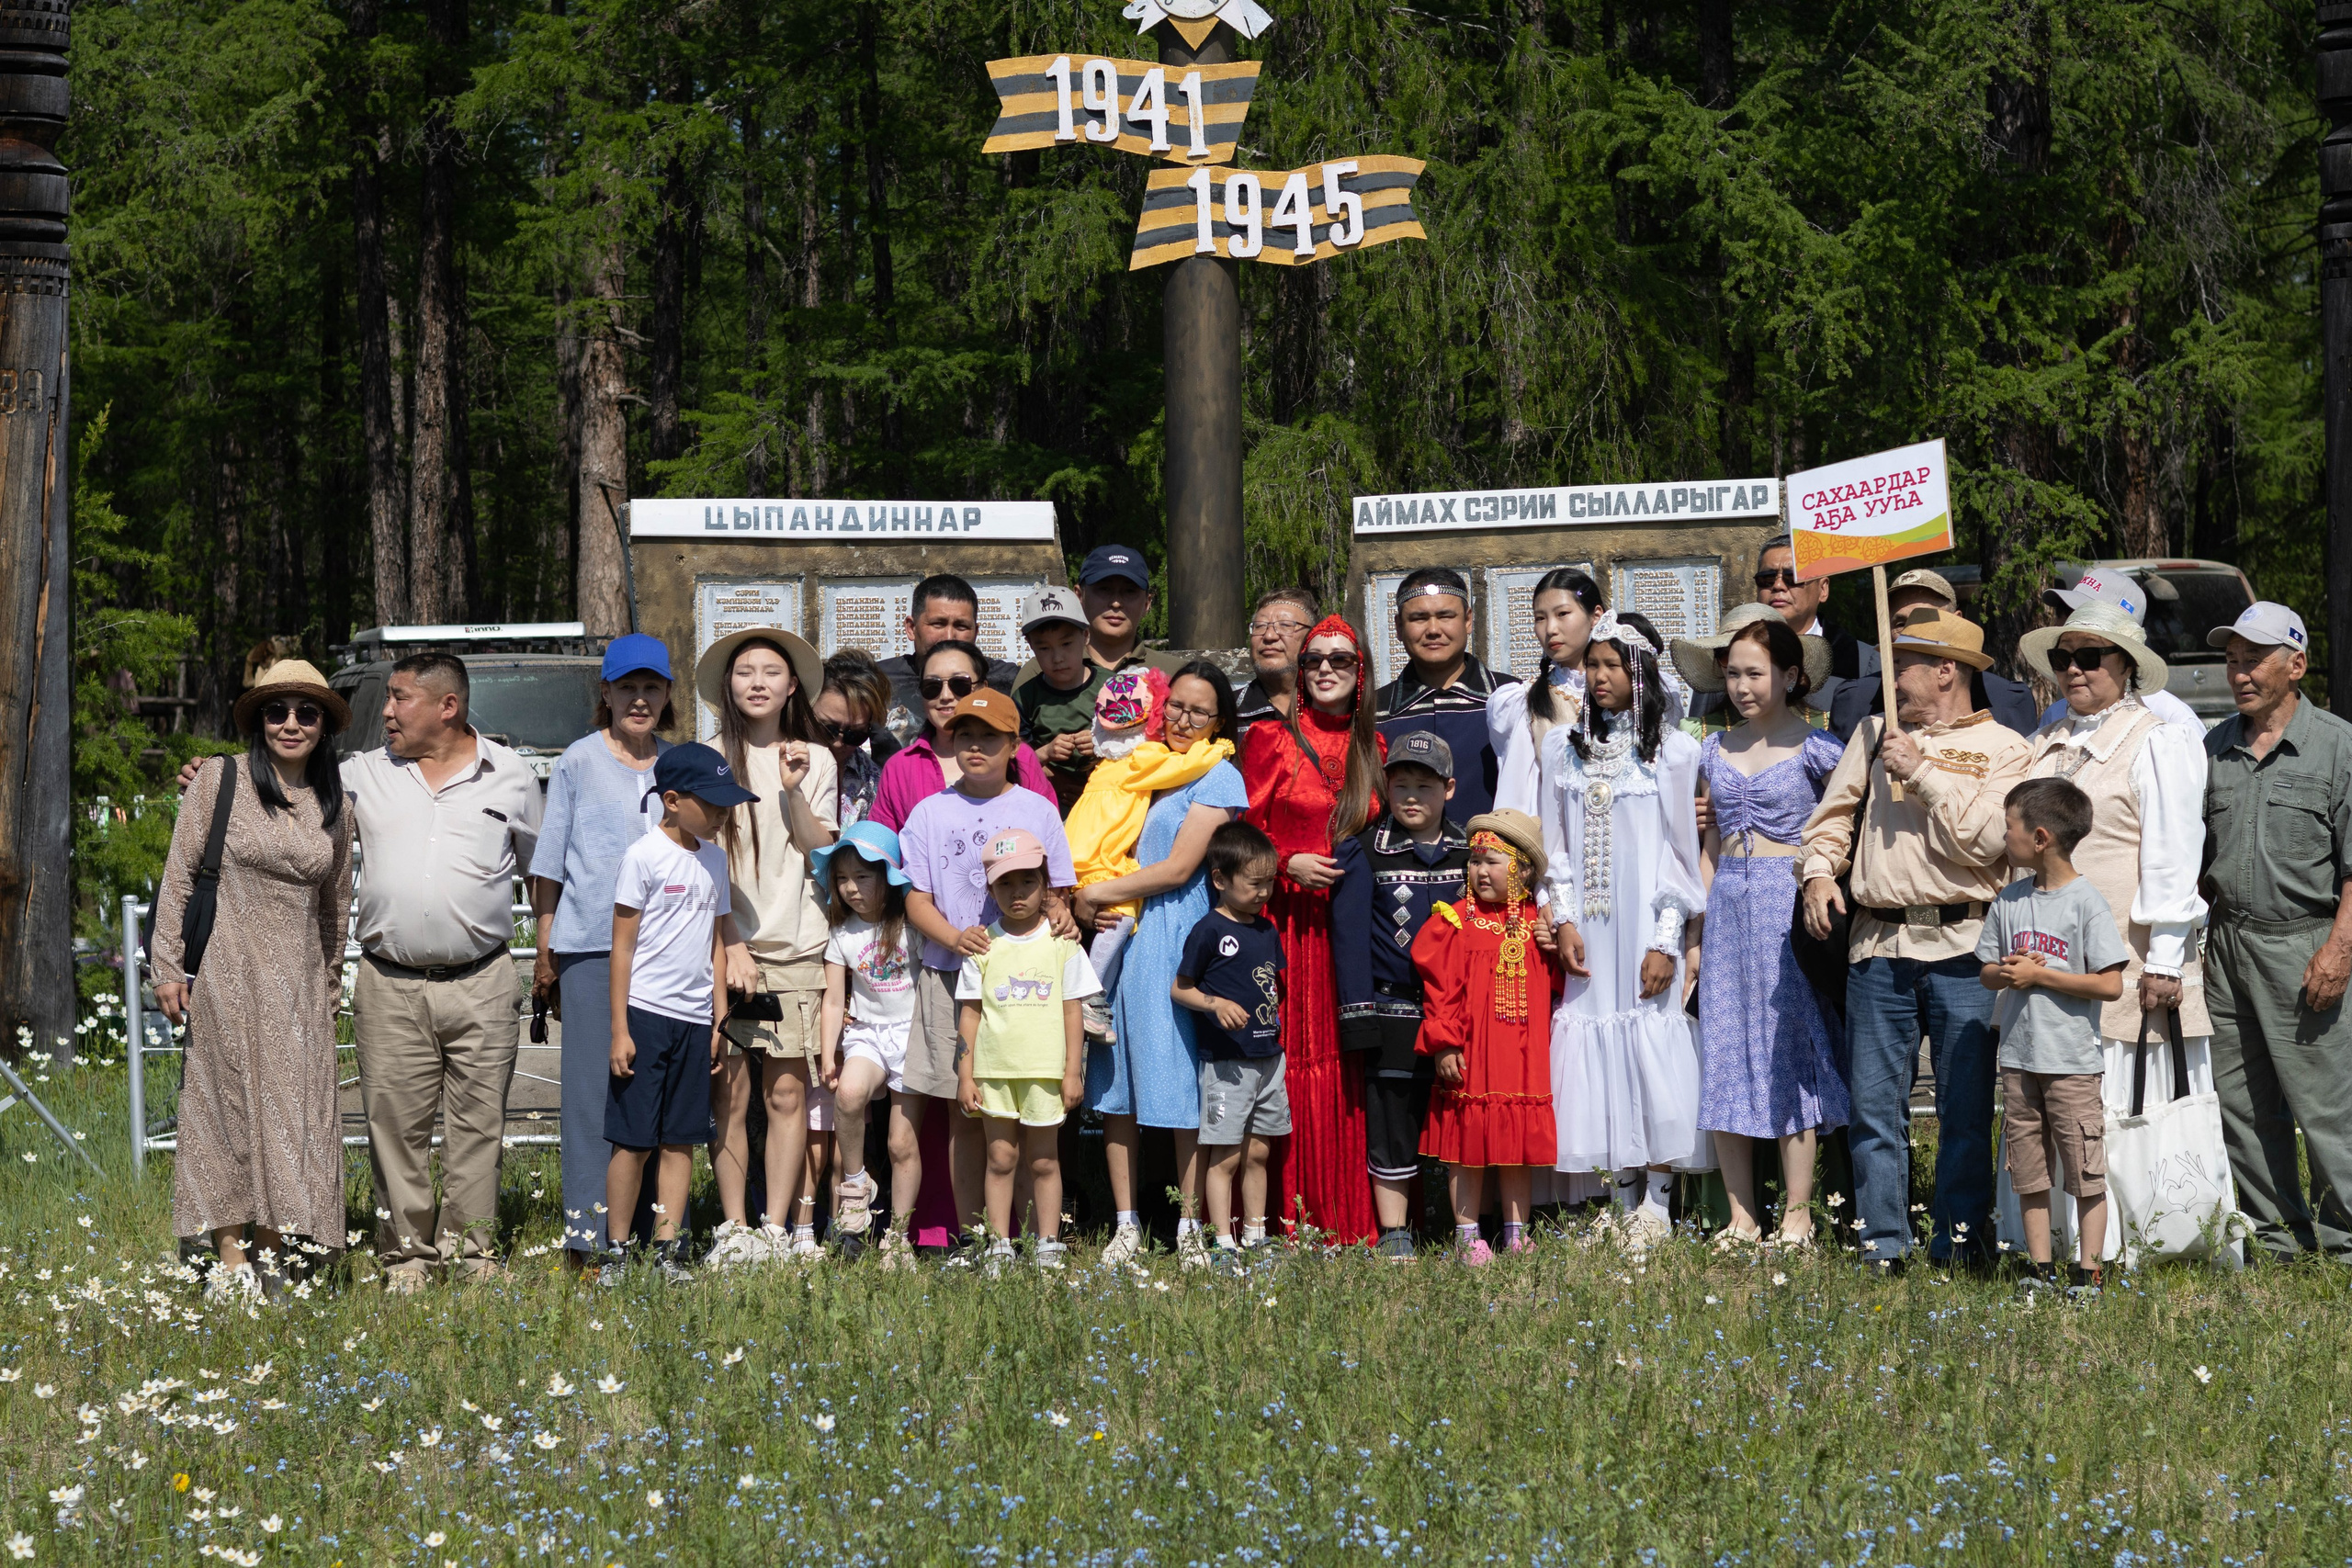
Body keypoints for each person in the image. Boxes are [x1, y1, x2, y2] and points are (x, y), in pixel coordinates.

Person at [1801, 607, 2030, 1271]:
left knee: (1963, 1111)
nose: (1890, 681)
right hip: (1878, 949)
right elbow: (1831, 820)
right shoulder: (1873, 733)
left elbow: (1991, 841)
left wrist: (1922, 771)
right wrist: (1818, 874)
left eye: (1904, 669)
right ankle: (1883, 1247)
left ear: (1947, 670)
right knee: (1875, 1110)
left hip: (1967, 948)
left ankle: (1959, 1246)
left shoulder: (2007, 748)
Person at [2017, 587, 2218, 1261]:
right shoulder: (2046, 733)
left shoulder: (2160, 738)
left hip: (2120, 958)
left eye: (2092, 655)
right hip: (2040, 957)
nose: (2076, 668)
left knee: (2115, 1101)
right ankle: (2048, 1242)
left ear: (2126, 663)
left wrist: (2164, 957)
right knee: (2042, 1094)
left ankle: (2133, 1236)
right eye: (2065, 656)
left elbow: (2172, 851)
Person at [150, 660, 354, 1302]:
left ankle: (274, 1255)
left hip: (296, 988)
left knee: (292, 1119)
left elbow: (336, 910)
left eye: (306, 711)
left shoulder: (337, 807)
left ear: (323, 725)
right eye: (277, 710)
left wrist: (326, 989)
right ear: (259, 719)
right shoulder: (219, 779)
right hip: (227, 975)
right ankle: (231, 1261)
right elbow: (178, 876)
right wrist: (165, 967)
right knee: (225, 1111)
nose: (291, 722)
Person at [343, 652, 545, 1289]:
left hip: (484, 978)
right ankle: (406, 1257)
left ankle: (471, 1253)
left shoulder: (512, 775)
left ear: (447, 706)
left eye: (401, 698)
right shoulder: (361, 773)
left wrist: (548, 953)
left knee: (479, 1123)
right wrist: (215, 776)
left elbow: (539, 872)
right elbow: (281, 786)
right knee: (394, 1127)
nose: (387, 710)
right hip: (390, 980)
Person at [1677, 611, 1848, 1248]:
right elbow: (1712, 841)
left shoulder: (1821, 749)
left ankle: (1797, 1212)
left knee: (1790, 1047)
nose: (1742, 685)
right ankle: (1741, 1214)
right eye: (1733, 673)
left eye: (1755, 672)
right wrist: (1695, 933)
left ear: (1790, 675)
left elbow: (1843, 836)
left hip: (1788, 905)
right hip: (1728, 905)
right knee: (1725, 1048)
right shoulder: (1712, 749)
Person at [1073, 661, 1252, 1267]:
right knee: (1116, 1079)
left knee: (1178, 1083)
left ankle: (1190, 1224)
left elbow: (1178, 869)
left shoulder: (1218, 777)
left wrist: (1096, 893)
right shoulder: (1145, 764)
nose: (1181, 719)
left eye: (1197, 712)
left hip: (1174, 933)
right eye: (1174, 705)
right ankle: (1125, 1222)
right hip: (1123, 931)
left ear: (1218, 721)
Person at [1540, 612, 1705, 1253]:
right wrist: (1564, 917)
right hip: (1590, 930)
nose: (1599, 676)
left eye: (1613, 664)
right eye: (1593, 664)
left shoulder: (1672, 751)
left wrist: (1667, 938)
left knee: (1651, 1041)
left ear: (1642, 672)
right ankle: (1620, 1195)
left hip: (1645, 924)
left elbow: (1678, 853)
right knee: (1595, 1043)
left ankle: (1659, 1204)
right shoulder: (1563, 749)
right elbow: (1554, 847)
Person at [899, 689, 1079, 1255]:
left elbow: (1060, 890)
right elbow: (915, 897)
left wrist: (1063, 917)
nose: (975, 747)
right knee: (967, 1110)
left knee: (1031, 1115)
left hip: (1028, 983)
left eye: (990, 738)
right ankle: (976, 1237)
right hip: (952, 975)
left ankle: (1032, 1237)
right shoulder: (930, 812)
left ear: (1013, 746)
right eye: (965, 737)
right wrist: (955, 937)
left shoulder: (1038, 809)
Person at [2200, 601, 2352, 1261]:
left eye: (2254, 658)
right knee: (2244, 1103)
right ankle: (2276, 1242)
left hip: (2306, 944)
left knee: (2325, 1108)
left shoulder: (2339, 745)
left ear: (2297, 663)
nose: (2239, 672)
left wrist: (2339, 949)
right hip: (2228, 943)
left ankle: (2345, 1244)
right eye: (2232, 659)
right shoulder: (2213, 746)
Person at [528, 636, 674, 1264]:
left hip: (667, 952)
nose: (639, 699)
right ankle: (588, 1238)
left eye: (652, 687)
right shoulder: (578, 761)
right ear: (606, 693)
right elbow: (551, 860)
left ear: (667, 694)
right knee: (591, 1094)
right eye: (627, 687)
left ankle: (656, 1232)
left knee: (656, 1092)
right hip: (589, 942)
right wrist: (544, 947)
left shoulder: (680, 765)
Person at [698, 626, 840, 1268]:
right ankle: (734, 1228)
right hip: (723, 950)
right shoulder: (706, 758)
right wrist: (730, 942)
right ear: (727, 685)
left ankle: (777, 1229)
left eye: (770, 671)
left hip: (797, 949)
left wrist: (789, 789)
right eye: (744, 670)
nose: (756, 681)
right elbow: (699, 863)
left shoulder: (816, 756)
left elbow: (818, 847)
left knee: (787, 1093)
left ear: (792, 688)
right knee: (728, 1091)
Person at [1243, 615, 1387, 1245]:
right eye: (1313, 660)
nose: (1326, 668)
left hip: (1350, 931)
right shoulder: (1270, 740)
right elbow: (1238, 836)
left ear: (1361, 675)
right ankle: (1285, 1217)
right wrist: (1285, 861)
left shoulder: (1373, 750)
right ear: (1299, 675)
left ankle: (1346, 1218)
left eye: (1341, 660)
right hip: (1286, 925)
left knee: (1345, 1068)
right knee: (1289, 1063)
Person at [602, 742, 753, 1284]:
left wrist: (718, 1022)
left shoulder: (714, 858)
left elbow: (716, 944)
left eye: (726, 804)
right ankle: (617, 1251)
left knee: (681, 1137)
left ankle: (668, 1251)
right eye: (711, 804)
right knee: (634, 1139)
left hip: (695, 1022)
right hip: (644, 1014)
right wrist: (620, 1028)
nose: (721, 815)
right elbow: (621, 947)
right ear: (671, 799)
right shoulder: (642, 856)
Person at [1978, 776, 2130, 1293]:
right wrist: (2011, 969)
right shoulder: (2010, 900)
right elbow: (1987, 973)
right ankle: (2040, 1270)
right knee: (2029, 1169)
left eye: (2009, 828)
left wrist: (2042, 975)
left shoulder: (2087, 902)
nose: (2005, 839)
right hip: (2019, 1059)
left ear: (2039, 838)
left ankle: (2089, 1273)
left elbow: (2110, 983)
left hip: (2071, 1063)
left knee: (2084, 1169)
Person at [1332, 731, 1471, 1258]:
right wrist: (1358, 1018)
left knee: (1461, 1118)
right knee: (1392, 1118)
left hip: (1460, 1019)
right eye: (1401, 786)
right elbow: (1349, 943)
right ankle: (1395, 1231)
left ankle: (1464, 1229)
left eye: (1425, 786)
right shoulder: (1364, 851)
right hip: (1391, 1011)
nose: (1412, 797)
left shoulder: (1472, 852)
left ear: (1450, 789)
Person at [1413, 810, 1558, 1267]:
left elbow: (1557, 985)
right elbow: (1441, 991)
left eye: (1492, 861)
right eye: (1474, 862)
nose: (1480, 871)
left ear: (1524, 870)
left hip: (1521, 1057)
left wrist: (1550, 944)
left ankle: (1517, 1233)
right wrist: (1445, 1043)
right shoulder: (1454, 922)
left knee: (1517, 1147)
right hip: (1473, 1056)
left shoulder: (1539, 925)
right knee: (1467, 1145)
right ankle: (1466, 1236)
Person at [955, 828, 1100, 1269]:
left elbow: (1074, 1013)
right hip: (994, 1074)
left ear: (1046, 885)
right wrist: (965, 1074)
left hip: (1045, 1073)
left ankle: (1048, 1245)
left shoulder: (1062, 943)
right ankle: (999, 1246)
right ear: (991, 888)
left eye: (1027, 881)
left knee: (1043, 1160)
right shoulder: (982, 944)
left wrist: (1073, 1071)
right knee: (1000, 1158)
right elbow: (971, 1015)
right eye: (1004, 883)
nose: (1016, 893)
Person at [1171, 820, 1290, 1260]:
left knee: (1258, 1152)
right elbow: (1179, 989)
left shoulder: (1266, 930)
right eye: (1254, 884)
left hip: (1268, 1059)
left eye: (1269, 884)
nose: (1263, 893)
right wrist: (1214, 1004)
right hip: (1227, 1064)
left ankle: (1256, 1239)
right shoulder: (1208, 930)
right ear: (1220, 880)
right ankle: (1222, 1244)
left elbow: (1268, 985)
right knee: (1225, 1157)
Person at [813, 822, 922, 1269]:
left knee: (901, 1144)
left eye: (863, 877)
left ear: (888, 877)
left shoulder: (911, 925)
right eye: (842, 879)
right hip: (867, 1034)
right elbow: (835, 997)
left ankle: (898, 1238)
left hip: (912, 1037)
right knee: (850, 1093)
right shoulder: (843, 934)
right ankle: (856, 1185)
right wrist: (827, 1052)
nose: (852, 889)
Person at [869, 638, 1057, 832]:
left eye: (959, 684)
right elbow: (882, 845)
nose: (945, 696)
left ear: (983, 688)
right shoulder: (899, 767)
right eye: (932, 686)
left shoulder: (1021, 757)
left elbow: (1049, 833)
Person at [1375, 568, 1518, 818]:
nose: (1433, 629)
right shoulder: (1375, 711)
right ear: (1398, 626)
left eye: (1445, 616)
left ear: (1468, 620)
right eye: (1419, 618)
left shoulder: (1512, 700)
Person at [2026, 566, 2205, 735]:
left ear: (2126, 659)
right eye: (2063, 612)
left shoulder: (2171, 724)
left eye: (2089, 654)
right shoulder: (2055, 717)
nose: (2068, 623)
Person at [1488, 569, 1602, 816]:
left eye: (1562, 614)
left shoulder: (1636, 690)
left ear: (1595, 616)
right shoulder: (1523, 702)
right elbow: (1518, 795)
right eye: (1540, 618)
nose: (1551, 628)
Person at [1884, 569, 2040, 735]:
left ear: (1957, 620)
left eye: (1927, 620)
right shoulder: (1861, 700)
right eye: (1900, 624)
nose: (1911, 633)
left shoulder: (2007, 699)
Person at [1752, 533, 1877, 741]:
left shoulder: (1863, 663)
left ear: (1823, 589)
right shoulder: (1728, 659)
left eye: (1794, 578)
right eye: (1767, 578)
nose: (1778, 586)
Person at [876, 574, 1019, 743]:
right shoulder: (876, 681)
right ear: (911, 628)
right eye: (938, 624)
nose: (950, 636)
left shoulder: (1014, 683)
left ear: (976, 632)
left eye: (961, 626)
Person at [1012, 586, 1108, 813]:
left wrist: (1102, 742)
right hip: (1049, 803)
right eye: (1044, 648)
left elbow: (1138, 744)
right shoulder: (1025, 697)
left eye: (1066, 644)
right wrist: (1045, 753)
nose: (1057, 658)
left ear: (1085, 635)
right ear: (1030, 644)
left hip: (1108, 799)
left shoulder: (1112, 687)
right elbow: (1013, 761)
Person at [814, 650, 897, 828]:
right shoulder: (774, 757)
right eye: (828, 729)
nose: (838, 742)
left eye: (855, 735)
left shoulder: (872, 781)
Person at [1236, 588, 1318, 741]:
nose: (1269, 636)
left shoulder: (1338, 710)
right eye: (1259, 626)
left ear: (1312, 638)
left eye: (1285, 625)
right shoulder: (1226, 714)